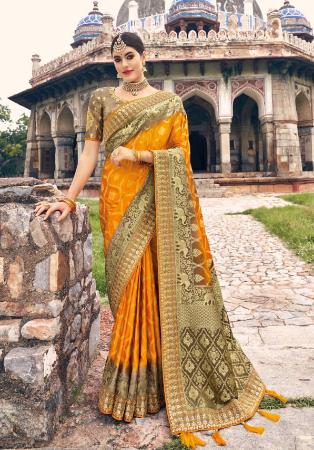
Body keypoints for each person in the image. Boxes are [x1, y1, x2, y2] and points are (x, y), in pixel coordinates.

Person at [34, 32, 288, 448]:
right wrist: (69, 197)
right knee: (126, 287)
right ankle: (138, 376)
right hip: (117, 204)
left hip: (154, 200)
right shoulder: (101, 99)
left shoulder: (170, 104)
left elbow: (181, 159)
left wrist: (139, 155)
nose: (123, 65)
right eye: (117, 59)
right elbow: (89, 154)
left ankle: (146, 383)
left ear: (145, 57)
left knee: (153, 284)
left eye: (130, 56)